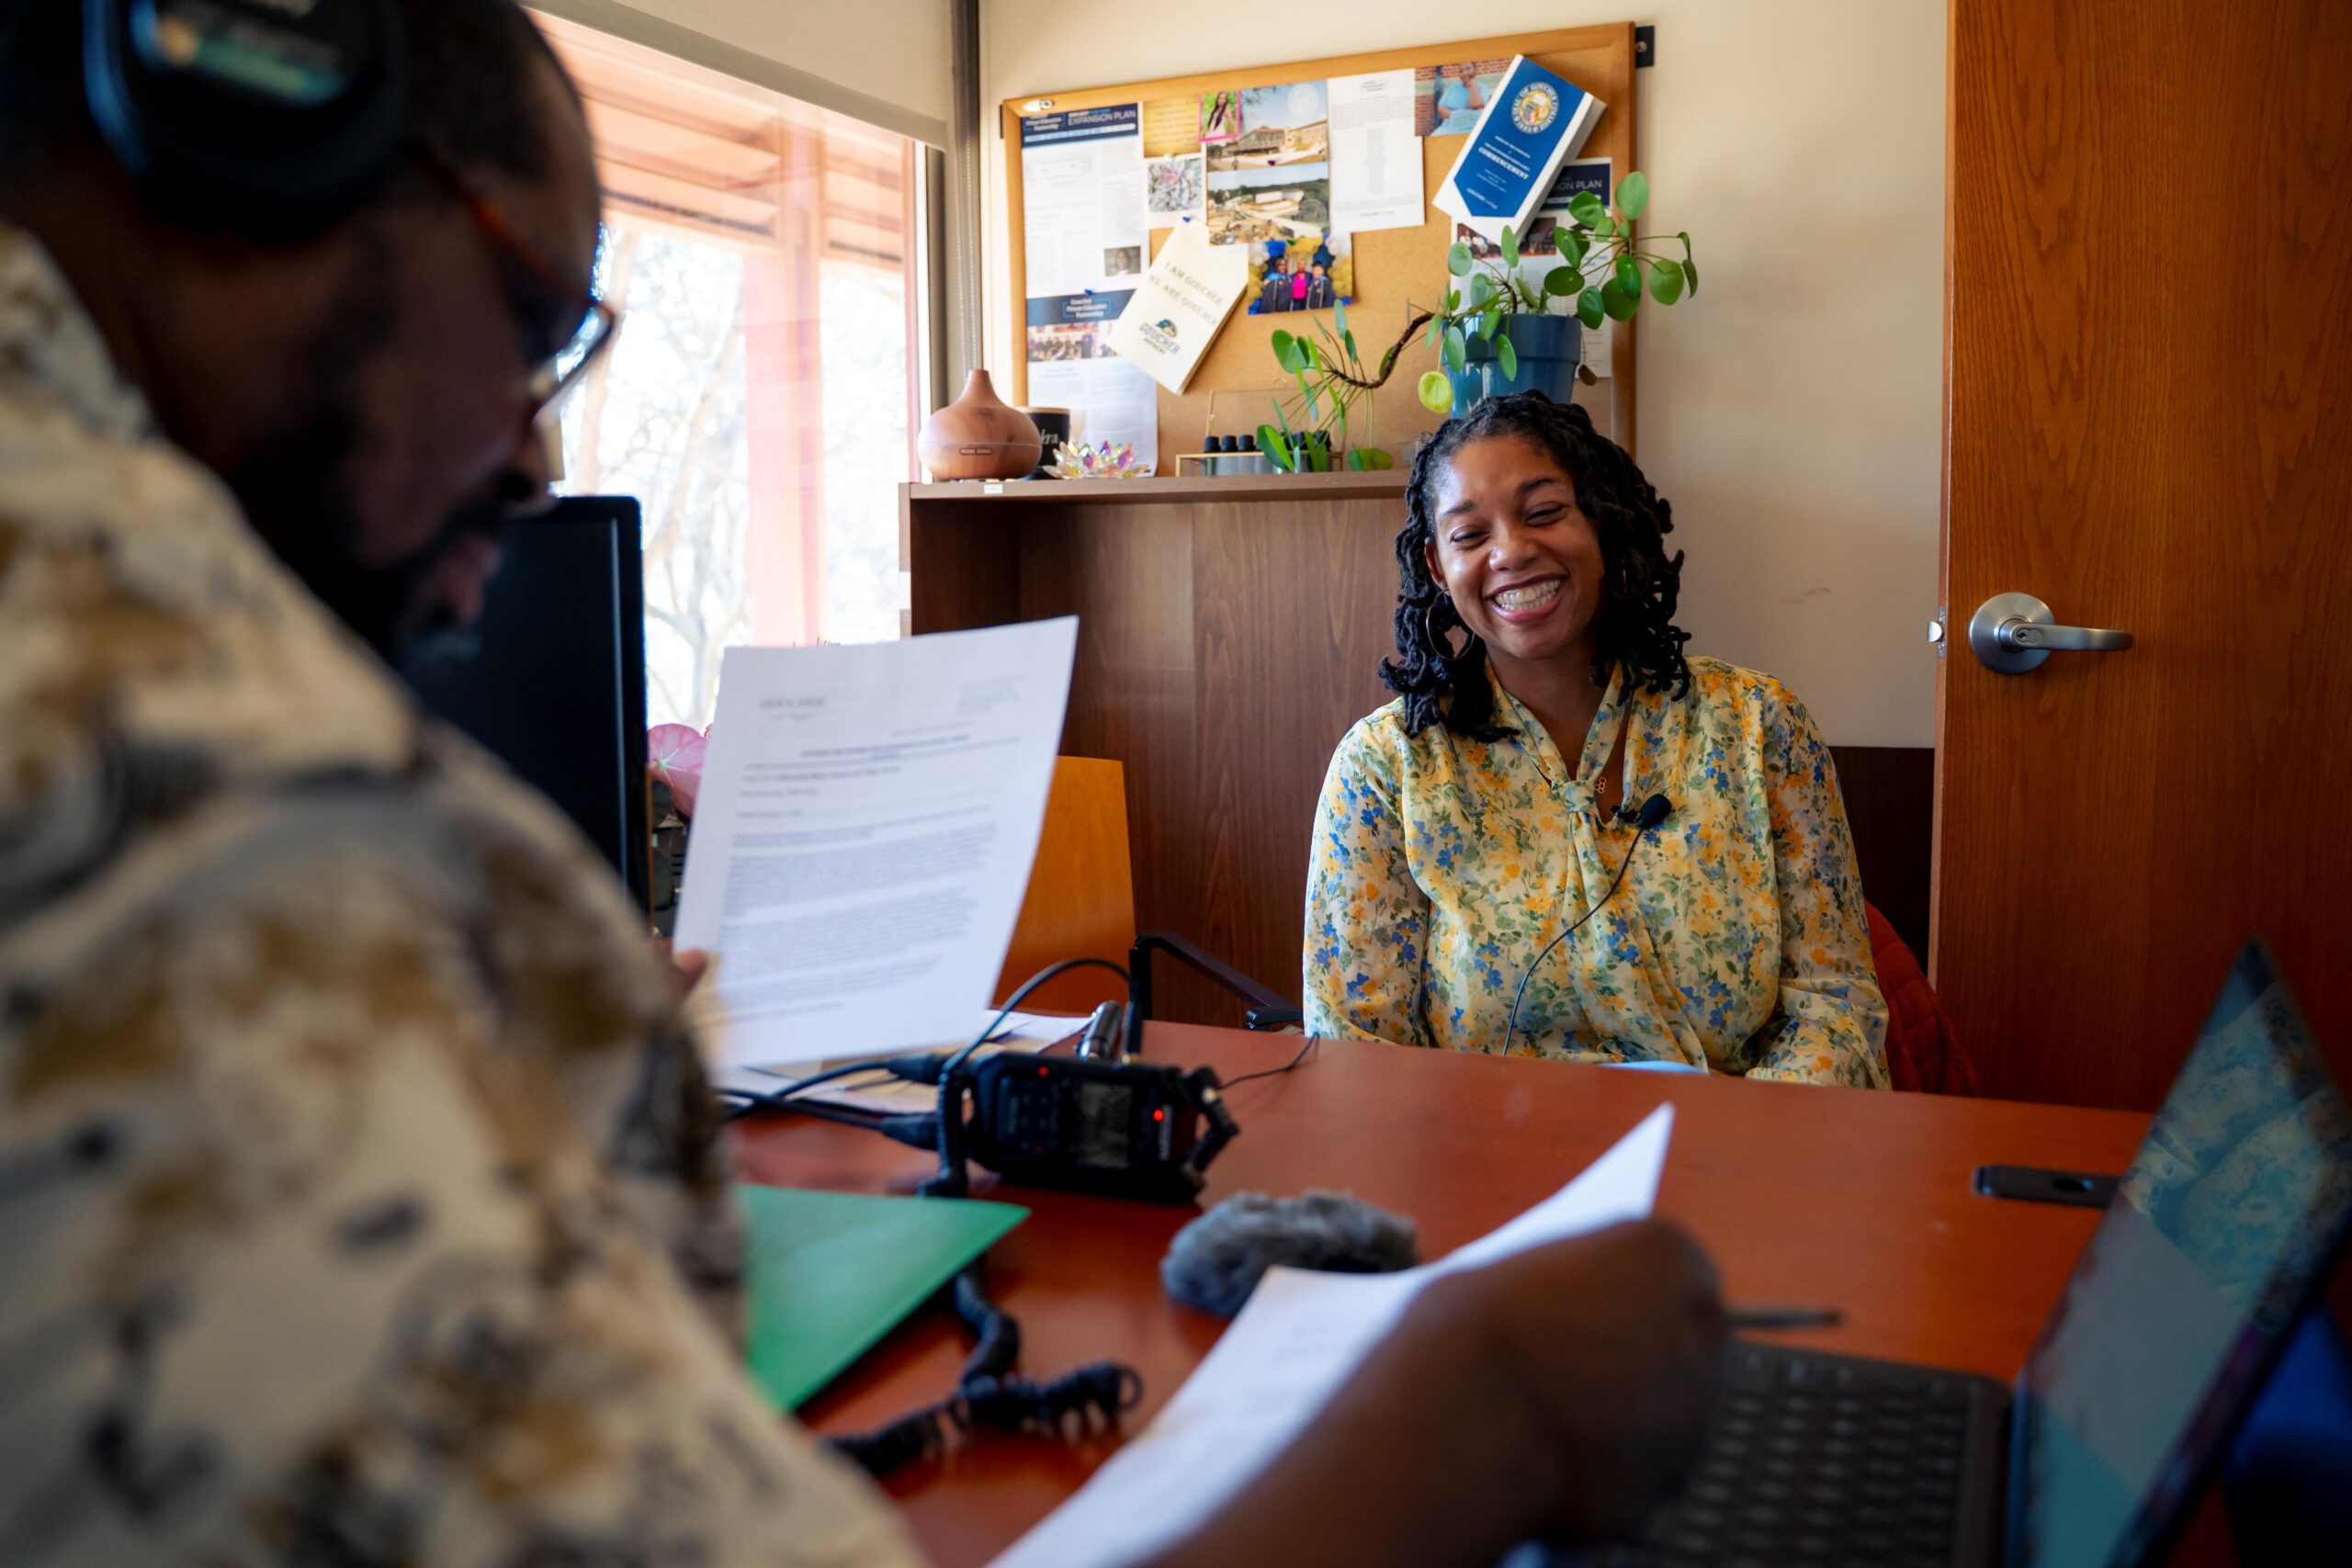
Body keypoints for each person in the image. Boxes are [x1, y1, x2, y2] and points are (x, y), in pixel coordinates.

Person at [0, 5, 1725, 1565]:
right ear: (260, 139)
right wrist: (1480, 1408)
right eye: (536, 316)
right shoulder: (185, 760)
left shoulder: (1742, 725)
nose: (534, 448)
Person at [1303, 392, 1890, 1087]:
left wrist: (1733, 1155)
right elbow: (1355, 1048)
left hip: (1738, 1155)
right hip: (1484, 1166)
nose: (1512, 552)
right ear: (1437, 566)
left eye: (1545, 512)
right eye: (1470, 535)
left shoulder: (1759, 724)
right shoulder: (1385, 767)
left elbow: (1836, 1008)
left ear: (1604, 523)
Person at [1434, 64, 1487, 135]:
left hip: (1470, 128)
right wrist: (1463, 114)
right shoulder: (1453, 87)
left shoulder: (1482, 88)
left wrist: (1473, 84)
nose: (1464, 73)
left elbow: (1475, 105)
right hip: (1448, 127)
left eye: (1468, 69)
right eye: (1461, 71)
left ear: (1475, 70)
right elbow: (1440, 108)